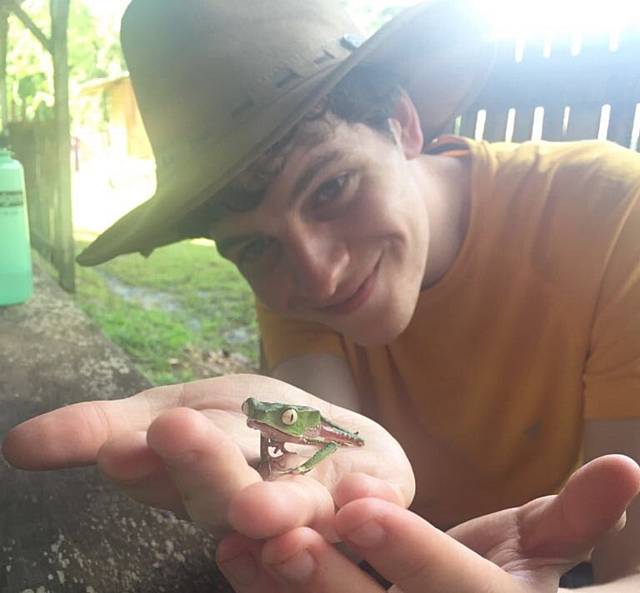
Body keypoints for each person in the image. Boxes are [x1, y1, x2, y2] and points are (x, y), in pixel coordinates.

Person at [3, 0, 640, 591]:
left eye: (332, 187)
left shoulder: (612, 213)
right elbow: (324, 442)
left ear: (403, 122)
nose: (318, 278)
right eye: (252, 247)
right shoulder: (292, 287)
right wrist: (307, 523)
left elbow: (628, 541)